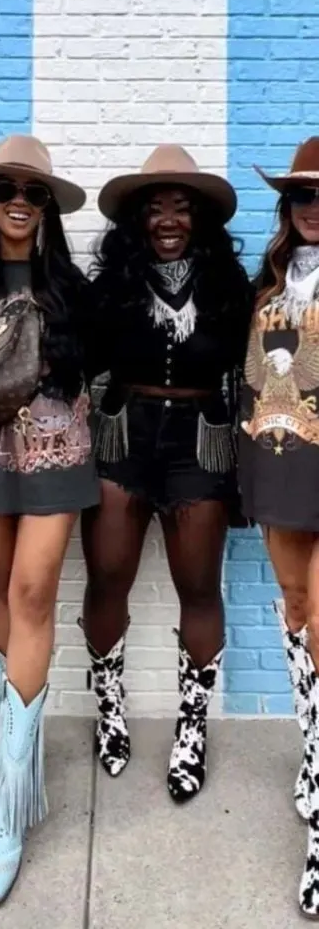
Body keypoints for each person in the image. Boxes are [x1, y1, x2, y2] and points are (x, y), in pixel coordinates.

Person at [0, 133, 99, 905]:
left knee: (35, 592)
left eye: (33, 191)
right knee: (7, 592)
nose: (18, 200)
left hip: (58, 451)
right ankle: (25, 753)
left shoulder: (71, 285)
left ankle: (5, 803)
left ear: (46, 208)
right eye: (6, 188)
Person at [80, 144, 253, 800]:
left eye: (182, 206)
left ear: (200, 219)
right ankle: (111, 710)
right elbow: (77, 361)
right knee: (108, 577)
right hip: (123, 435)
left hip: (201, 443)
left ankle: (191, 727)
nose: (170, 219)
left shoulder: (231, 290)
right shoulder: (111, 288)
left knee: (199, 586)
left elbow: (264, 367)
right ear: (138, 221)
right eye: (156, 208)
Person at [239, 137, 319, 918]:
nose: (311, 208)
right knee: (295, 610)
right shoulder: (267, 285)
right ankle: (312, 754)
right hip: (279, 462)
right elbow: (255, 377)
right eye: (300, 196)